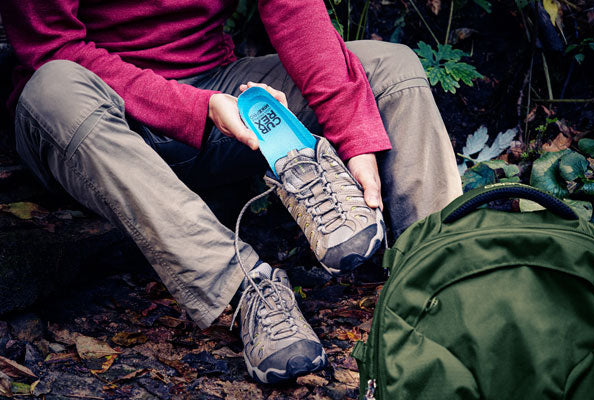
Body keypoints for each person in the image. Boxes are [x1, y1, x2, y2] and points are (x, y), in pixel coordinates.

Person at [0, 0, 462, 384]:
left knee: (392, 67)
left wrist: (353, 134)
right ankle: (247, 289)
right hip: (101, 115)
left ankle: (452, 280)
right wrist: (194, 108)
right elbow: (51, 47)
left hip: (222, 91)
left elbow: (293, 8)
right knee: (53, 87)